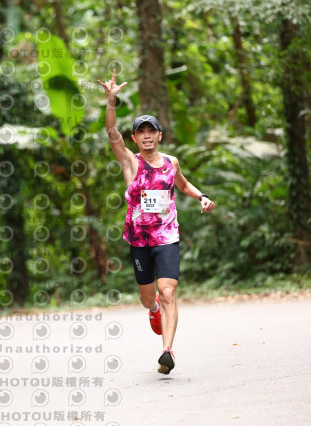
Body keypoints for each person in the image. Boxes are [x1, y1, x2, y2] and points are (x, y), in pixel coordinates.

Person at [97, 70, 215, 374]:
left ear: (160, 136)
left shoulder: (171, 163)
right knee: (149, 297)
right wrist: (111, 101)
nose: (147, 135)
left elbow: (183, 185)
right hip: (139, 240)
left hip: (167, 237)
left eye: (152, 131)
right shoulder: (130, 162)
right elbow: (111, 131)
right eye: (142, 132)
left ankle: (167, 351)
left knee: (169, 292)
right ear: (135, 138)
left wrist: (202, 196)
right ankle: (152, 310)